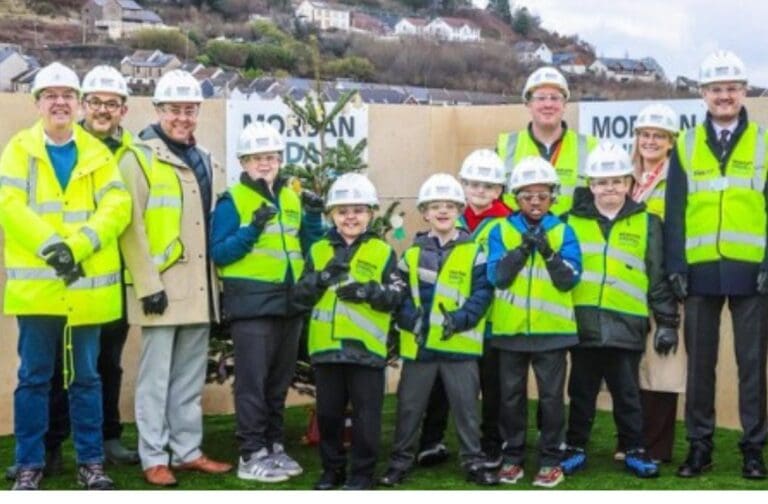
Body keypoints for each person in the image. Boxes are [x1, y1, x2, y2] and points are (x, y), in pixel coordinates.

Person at [0, 62, 132, 490]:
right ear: (37, 103)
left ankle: (91, 464)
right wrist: (51, 248)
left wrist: (76, 247)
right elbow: (10, 205)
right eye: (50, 95)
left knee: (86, 380)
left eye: (67, 95)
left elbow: (117, 208)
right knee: (34, 379)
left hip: (85, 290)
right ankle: (29, 465)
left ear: (78, 103)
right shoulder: (19, 149)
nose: (59, 102)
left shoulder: (97, 153)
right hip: (38, 291)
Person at [664, 50, 768, 480]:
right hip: (699, 272)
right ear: (702, 94)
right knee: (700, 367)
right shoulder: (685, 145)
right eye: (715, 89)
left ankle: (753, 450)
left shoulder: (763, 142)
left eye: (731, 88)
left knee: (752, 367)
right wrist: (676, 265)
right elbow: (674, 211)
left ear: (744, 91)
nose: (724, 96)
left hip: (752, 274)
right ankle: (699, 447)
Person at [127, 69, 231, 486]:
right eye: (174, 109)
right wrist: (147, 284)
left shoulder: (206, 159)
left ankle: (187, 450)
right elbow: (130, 227)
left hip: (200, 290)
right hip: (161, 290)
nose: (182, 118)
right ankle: (154, 456)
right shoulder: (138, 157)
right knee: (155, 380)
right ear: (157, 109)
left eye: (190, 110)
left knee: (188, 377)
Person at [210, 121, 324, 482]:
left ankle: (273, 446)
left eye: (271, 157)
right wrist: (252, 228)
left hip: (289, 304)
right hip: (253, 306)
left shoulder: (290, 197)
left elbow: (310, 246)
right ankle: (251, 453)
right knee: (253, 383)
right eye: (257, 157)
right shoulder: (232, 200)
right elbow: (220, 253)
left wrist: (313, 217)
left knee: (277, 383)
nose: (265, 163)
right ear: (243, 162)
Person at [559, 142, 679, 479]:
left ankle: (635, 449)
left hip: (627, 324)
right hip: (582, 324)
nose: (609, 188)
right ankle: (575, 447)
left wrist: (667, 321)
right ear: (591, 184)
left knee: (627, 393)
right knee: (581, 392)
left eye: (616, 181)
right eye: (602, 182)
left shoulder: (648, 222)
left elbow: (656, 276)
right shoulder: (568, 222)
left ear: (629, 183)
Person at [379, 173, 497, 487]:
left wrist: (460, 319)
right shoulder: (412, 254)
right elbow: (400, 294)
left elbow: (483, 294)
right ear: (425, 213)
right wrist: (410, 320)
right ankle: (399, 463)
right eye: (435, 206)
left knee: (467, 410)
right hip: (420, 348)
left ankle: (473, 463)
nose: (443, 211)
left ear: (459, 210)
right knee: (409, 408)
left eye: (449, 205)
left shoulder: (476, 252)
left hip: (460, 347)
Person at [294, 173, 405, 490]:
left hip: (366, 351)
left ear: (370, 214)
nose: (350, 217)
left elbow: (397, 296)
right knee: (328, 416)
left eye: (358, 210)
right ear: (332, 214)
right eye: (343, 211)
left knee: (366, 418)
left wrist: (369, 291)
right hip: (326, 350)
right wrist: (320, 278)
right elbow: (299, 296)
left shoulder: (382, 252)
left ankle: (361, 475)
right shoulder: (318, 250)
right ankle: (332, 471)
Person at [486, 157, 581, 488]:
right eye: (527, 196)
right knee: (510, 398)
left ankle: (551, 460)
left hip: (552, 333)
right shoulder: (500, 230)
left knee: (551, 399)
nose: (536, 202)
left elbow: (569, 280)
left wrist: (550, 254)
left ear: (553, 197)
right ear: (515, 198)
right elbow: (497, 277)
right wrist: (521, 251)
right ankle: (512, 457)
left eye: (542, 195)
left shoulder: (564, 231)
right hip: (510, 332)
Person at [417, 150, 510, 468]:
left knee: (492, 385)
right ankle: (432, 440)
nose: (480, 190)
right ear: (463, 186)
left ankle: (492, 443)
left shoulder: (509, 223)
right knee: (441, 382)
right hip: (451, 317)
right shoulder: (451, 216)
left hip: (492, 318)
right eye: (473, 184)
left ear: (499, 190)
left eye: (488, 185)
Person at [630, 103, 686, 464]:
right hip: (629, 284)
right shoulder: (627, 177)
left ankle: (656, 447)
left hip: (664, 284)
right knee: (633, 368)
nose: (650, 141)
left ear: (671, 142)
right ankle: (633, 441)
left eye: (659, 136)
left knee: (663, 367)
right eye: (645, 135)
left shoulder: (677, 180)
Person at [496, 66, 597, 214]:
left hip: (571, 229)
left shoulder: (590, 148)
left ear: (564, 105)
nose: (548, 104)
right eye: (541, 98)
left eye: (555, 98)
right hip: (517, 228)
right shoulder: (505, 147)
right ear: (528, 104)